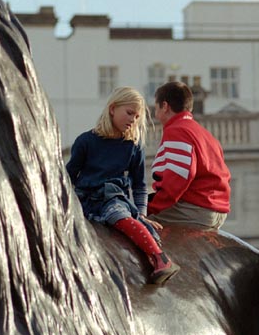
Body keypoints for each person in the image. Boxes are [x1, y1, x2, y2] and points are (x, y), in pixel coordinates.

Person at [67, 86, 180, 285]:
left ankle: (160, 258)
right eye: (129, 113)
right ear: (112, 109)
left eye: (137, 117)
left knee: (118, 215)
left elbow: (139, 185)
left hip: (112, 199)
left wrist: (142, 214)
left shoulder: (133, 147)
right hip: (85, 199)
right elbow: (68, 176)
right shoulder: (85, 141)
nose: (132, 120)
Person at [148, 81, 231, 229]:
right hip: (217, 209)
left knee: (136, 221)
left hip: (195, 208)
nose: (155, 113)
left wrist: (150, 207)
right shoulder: (205, 134)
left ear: (165, 106)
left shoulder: (177, 130)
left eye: (156, 107)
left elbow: (178, 174)